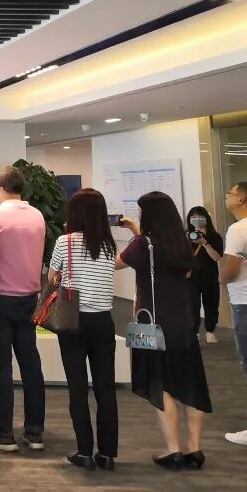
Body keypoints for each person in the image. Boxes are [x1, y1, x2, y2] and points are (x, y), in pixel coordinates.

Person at [118, 191, 212, 469]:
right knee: (191, 383)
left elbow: (116, 263)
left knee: (161, 383)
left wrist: (136, 235)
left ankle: (173, 449)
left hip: (151, 324)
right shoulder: (182, 242)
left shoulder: (141, 245)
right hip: (184, 321)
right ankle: (195, 448)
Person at [49, 189, 119, 471]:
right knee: (106, 389)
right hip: (103, 321)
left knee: (77, 388)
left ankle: (84, 452)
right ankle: (108, 454)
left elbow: (52, 278)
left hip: (73, 321)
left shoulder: (64, 241)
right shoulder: (109, 245)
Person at [0, 165, 47, 451]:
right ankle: (35, 432)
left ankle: (4, 432)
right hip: (29, 298)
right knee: (30, 363)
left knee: (1, 367)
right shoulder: (38, 215)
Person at [220, 181, 247, 446]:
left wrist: (221, 278)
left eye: (231, 193)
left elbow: (232, 268)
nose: (226, 197)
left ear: (241, 199)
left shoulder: (238, 229)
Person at [185, 206, 223, 343]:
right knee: (192, 305)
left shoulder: (214, 236)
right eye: (193, 217)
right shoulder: (185, 236)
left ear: (206, 218)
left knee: (211, 304)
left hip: (209, 275)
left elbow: (216, 257)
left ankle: (210, 331)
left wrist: (204, 243)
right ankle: (194, 332)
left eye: (200, 217)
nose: (196, 220)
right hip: (191, 276)